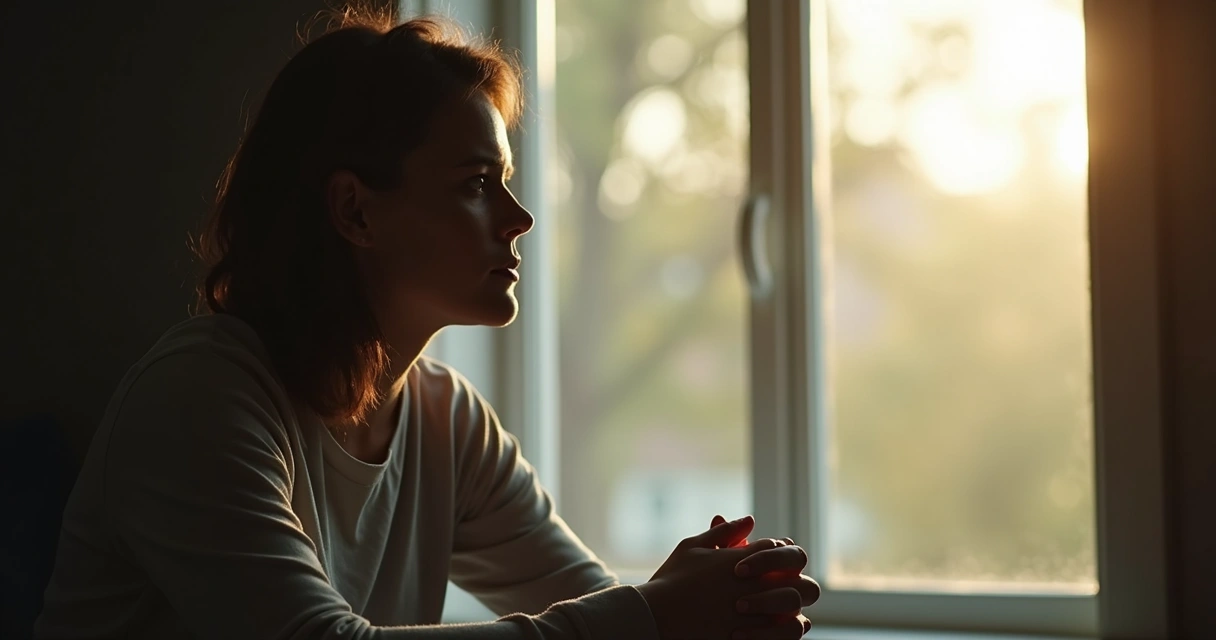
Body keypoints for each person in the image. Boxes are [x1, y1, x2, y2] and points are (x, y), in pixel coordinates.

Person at [34, 5, 820, 639]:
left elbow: (601, 616)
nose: (520, 219)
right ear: (354, 210)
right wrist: (653, 614)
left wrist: (712, 606)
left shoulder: (446, 421)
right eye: (478, 183)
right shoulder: (200, 398)